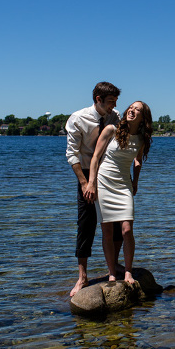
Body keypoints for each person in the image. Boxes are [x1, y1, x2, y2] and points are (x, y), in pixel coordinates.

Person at [84, 101, 153, 284]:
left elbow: (138, 161)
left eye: (137, 109)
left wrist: (135, 181)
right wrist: (91, 183)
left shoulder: (141, 139)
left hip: (124, 185)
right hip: (104, 181)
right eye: (131, 107)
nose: (132, 110)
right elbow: (96, 158)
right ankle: (112, 272)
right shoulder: (111, 130)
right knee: (107, 231)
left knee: (127, 229)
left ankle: (128, 271)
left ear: (143, 117)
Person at [65, 81, 123, 297]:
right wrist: (84, 183)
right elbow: (72, 154)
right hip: (87, 173)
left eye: (115, 102)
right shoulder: (78, 119)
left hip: (109, 174)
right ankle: (82, 276)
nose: (113, 106)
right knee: (86, 224)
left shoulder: (114, 116)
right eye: (110, 102)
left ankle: (114, 266)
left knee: (115, 221)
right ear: (97, 100)